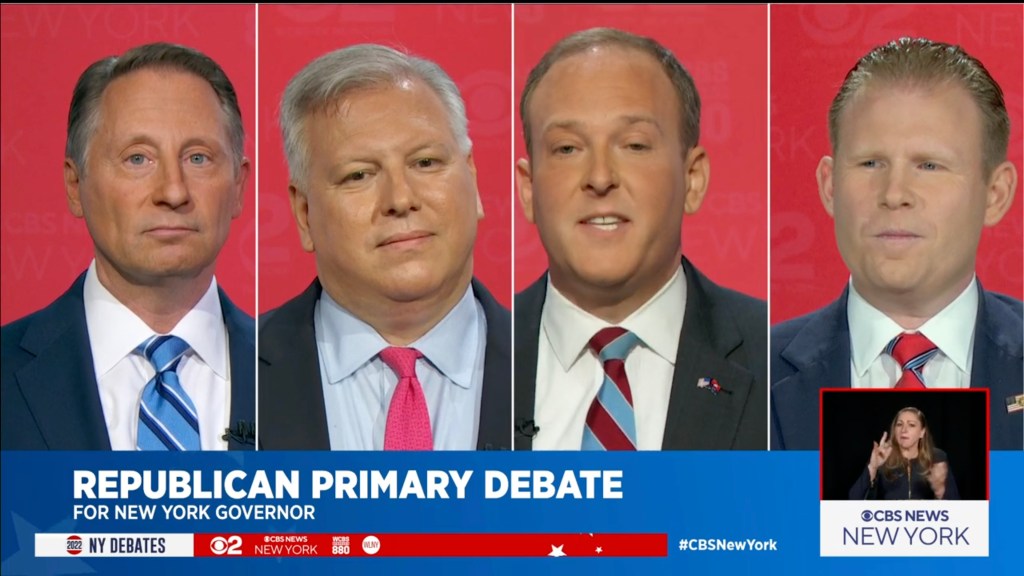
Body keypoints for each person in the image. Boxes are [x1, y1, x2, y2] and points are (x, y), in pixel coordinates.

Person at [513, 28, 767, 450]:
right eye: (567, 149)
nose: (599, 178)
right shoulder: (479, 362)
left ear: (693, 178)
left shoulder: (776, 363)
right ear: (528, 188)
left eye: (633, 145)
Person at [771, 38, 1022, 451]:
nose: (894, 193)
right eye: (870, 163)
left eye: (929, 165)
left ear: (995, 193)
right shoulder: (751, 375)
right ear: (830, 186)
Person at [1, 42, 255, 451]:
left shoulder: (302, 375)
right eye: (138, 159)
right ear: (74, 184)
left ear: (239, 186)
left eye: (198, 158)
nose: (173, 191)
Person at [258, 44, 511, 451]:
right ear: (305, 213)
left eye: (426, 163)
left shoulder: (565, 372)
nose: (401, 198)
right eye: (359, 174)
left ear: (473, 180)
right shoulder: (231, 372)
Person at [849, 407, 959, 500]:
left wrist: (940, 491)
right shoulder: (882, 456)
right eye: (899, 424)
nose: (904, 430)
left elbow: (956, 510)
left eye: (911, 425)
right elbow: (853, 501)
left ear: (922, 432)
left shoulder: (936, 457)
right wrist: (872, 468)